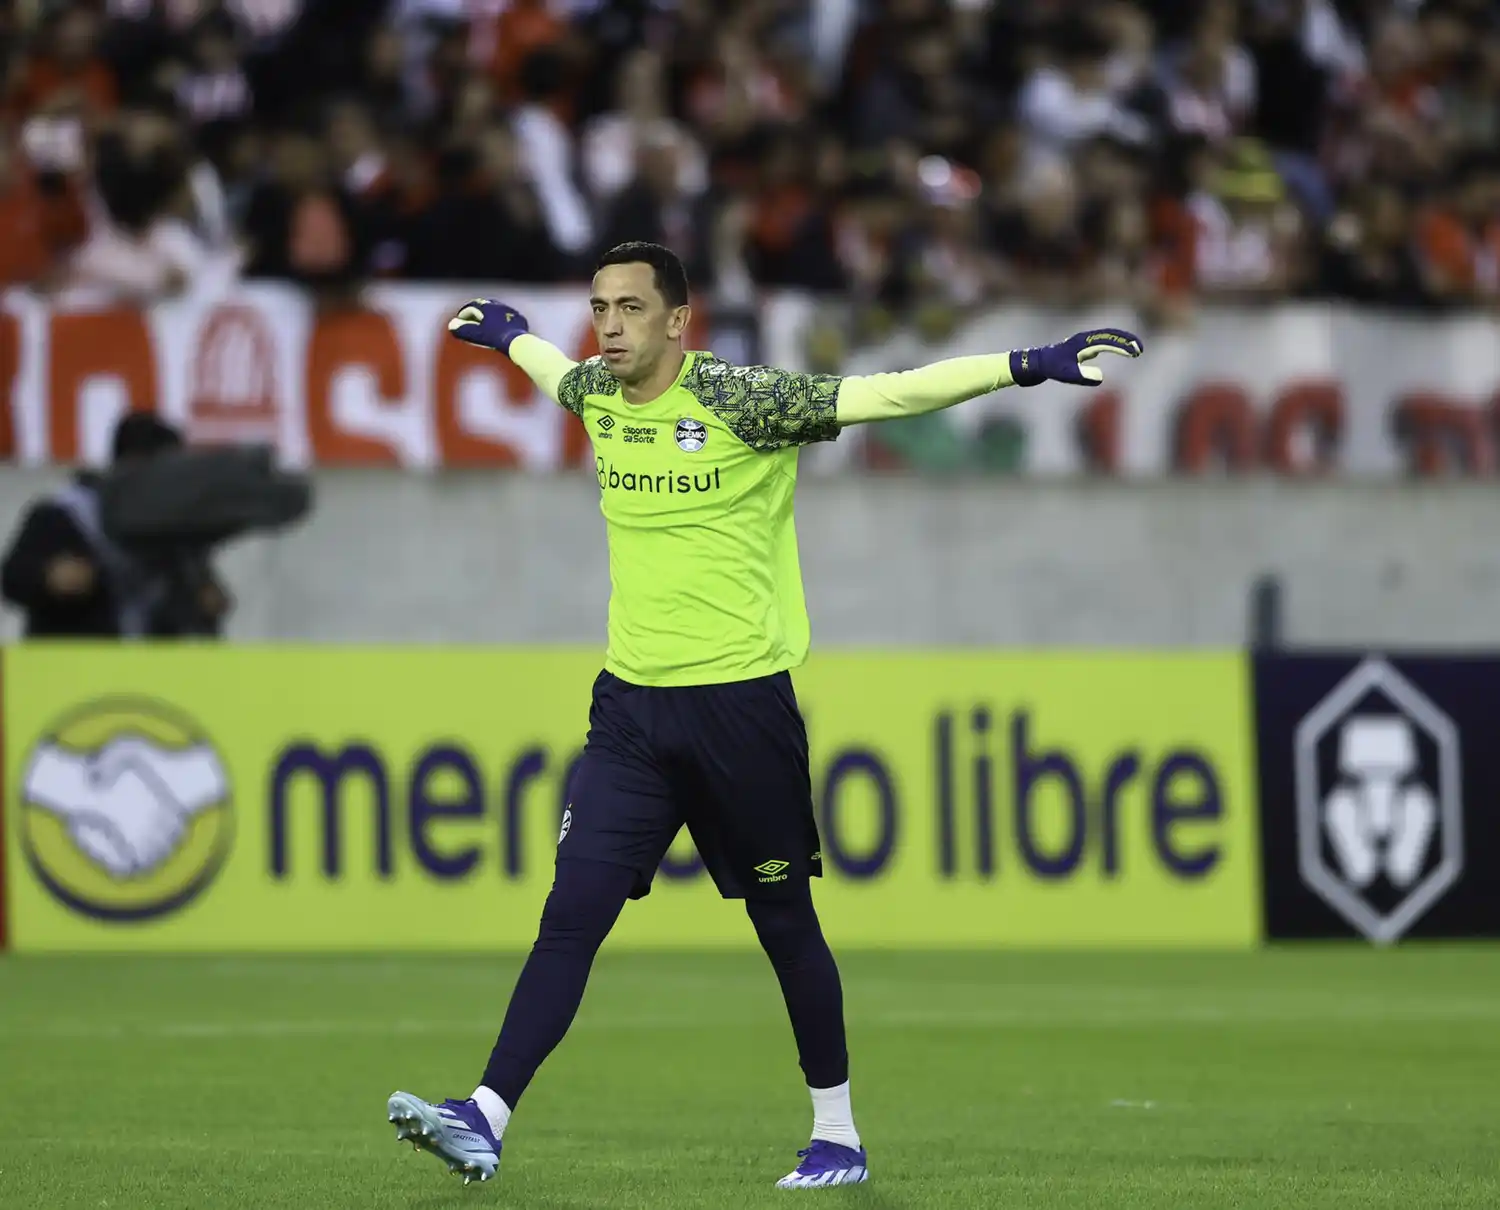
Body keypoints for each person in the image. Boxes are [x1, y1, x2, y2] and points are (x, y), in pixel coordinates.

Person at [386, 241, 1143, 1190]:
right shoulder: (593, 392)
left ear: (677, 321)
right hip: (630, 714)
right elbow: (550, 369)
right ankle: (485, 1115)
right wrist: (509, 339)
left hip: (742, 713)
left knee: (784, 922)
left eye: (628, 308)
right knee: (570, 912)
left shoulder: (745, 401)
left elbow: (887, 395)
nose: (607, 326)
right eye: (597, 308)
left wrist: (1025, 364)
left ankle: (839, 1136)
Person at [1, 412, 231, 638]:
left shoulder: (172, 530)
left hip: (149, 668)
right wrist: (49, 578)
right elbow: (12, 578)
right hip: (74, 666)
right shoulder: (61, 516)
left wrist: (206, 602)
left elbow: (199, 595)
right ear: (133, 466)